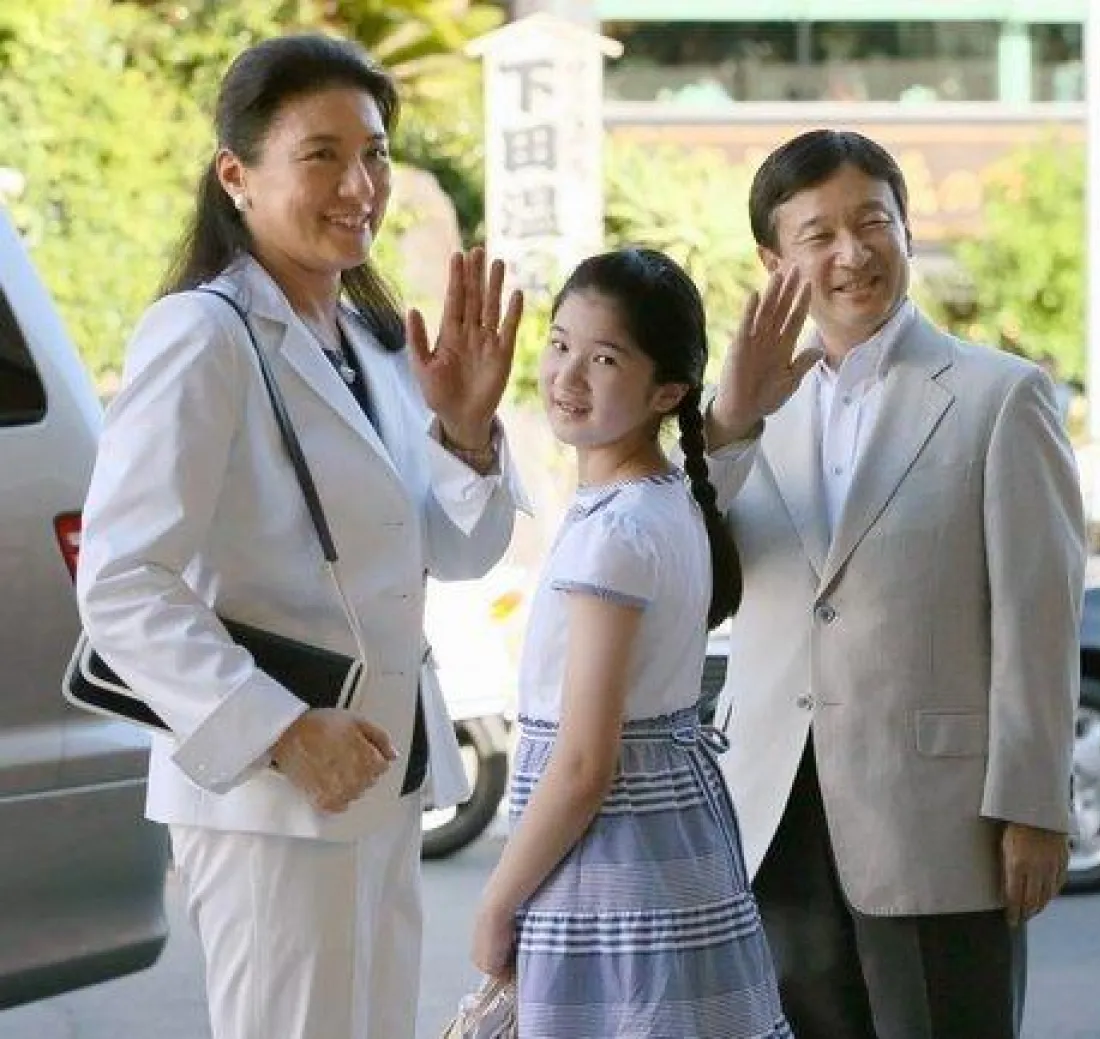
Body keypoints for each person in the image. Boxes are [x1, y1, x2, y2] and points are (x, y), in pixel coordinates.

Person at [75, 34, 525, 1039]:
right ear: (236, 176)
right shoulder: (203, 334)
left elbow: (456, 553)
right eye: (322, 155)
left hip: (378, 777)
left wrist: (464, 434)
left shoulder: (372, 343)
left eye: (374, 154)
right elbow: (122, 581)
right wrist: (280, 729)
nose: (360, 185)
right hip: (272, 797)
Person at [703, 129, 1086, 1038]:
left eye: (872, 222)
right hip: (777, 807)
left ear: (907, 229)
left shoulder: (1002, 396)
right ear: (773, 262)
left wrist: (1035, 807)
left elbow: (1039, 616)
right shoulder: (742, 407)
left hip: (939, 819)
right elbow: (694, 571)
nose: (852, 252)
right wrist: (726, 428)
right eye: (819, 234)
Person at [469, 248, 803, 1037]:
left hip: (607, 867)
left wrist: (495, 903)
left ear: (667, 391)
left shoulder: (616, 531)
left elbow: (584, 763)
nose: (567, 375)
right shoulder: (671, 503)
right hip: (669, 846)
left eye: (605, 358)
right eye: (560, 344)